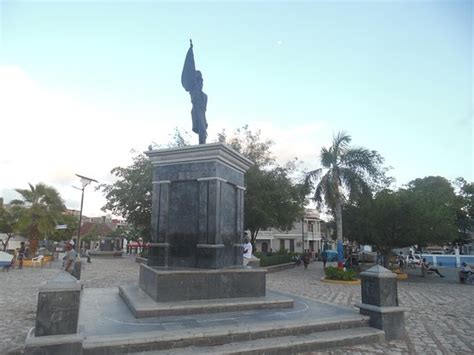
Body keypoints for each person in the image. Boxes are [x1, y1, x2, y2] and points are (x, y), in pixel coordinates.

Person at [182, 40, 208, 144]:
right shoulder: (193, 90)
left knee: (204, 132)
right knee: (201, 130)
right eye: (199, 80)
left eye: (202, 81)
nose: (201, 83)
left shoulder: (204, 96)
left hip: (202, 113)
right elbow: (190, 73)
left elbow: (204, 110)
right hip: (196, 111)